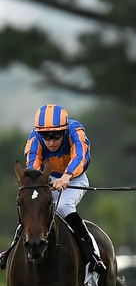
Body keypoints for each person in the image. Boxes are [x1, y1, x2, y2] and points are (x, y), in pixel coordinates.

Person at [0, 104, 104, 274]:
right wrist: (39, 181)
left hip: (75, 178)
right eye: (46, 137)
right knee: (33, 206)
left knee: (63, 207)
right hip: (46, 180)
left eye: (56, 136)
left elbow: (81, 156)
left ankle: (91, 254)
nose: (51, 142)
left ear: (64, 130)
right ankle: (11, 250)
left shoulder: (75, 130)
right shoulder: (34, 139)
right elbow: (33, 164)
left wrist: (67, 176)